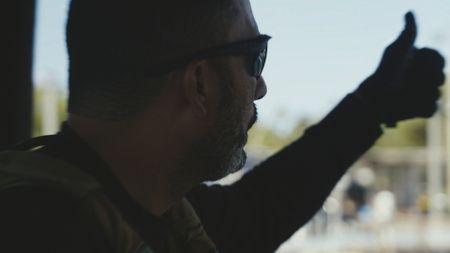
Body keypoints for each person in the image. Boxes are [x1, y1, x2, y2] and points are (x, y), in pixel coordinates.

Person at [0, 0, 445, 252]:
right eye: (255, 58)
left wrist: (369, 108)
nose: (262, 86)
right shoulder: (49, 233)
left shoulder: (143, 206)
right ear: (199, 83)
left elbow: (257, 212)